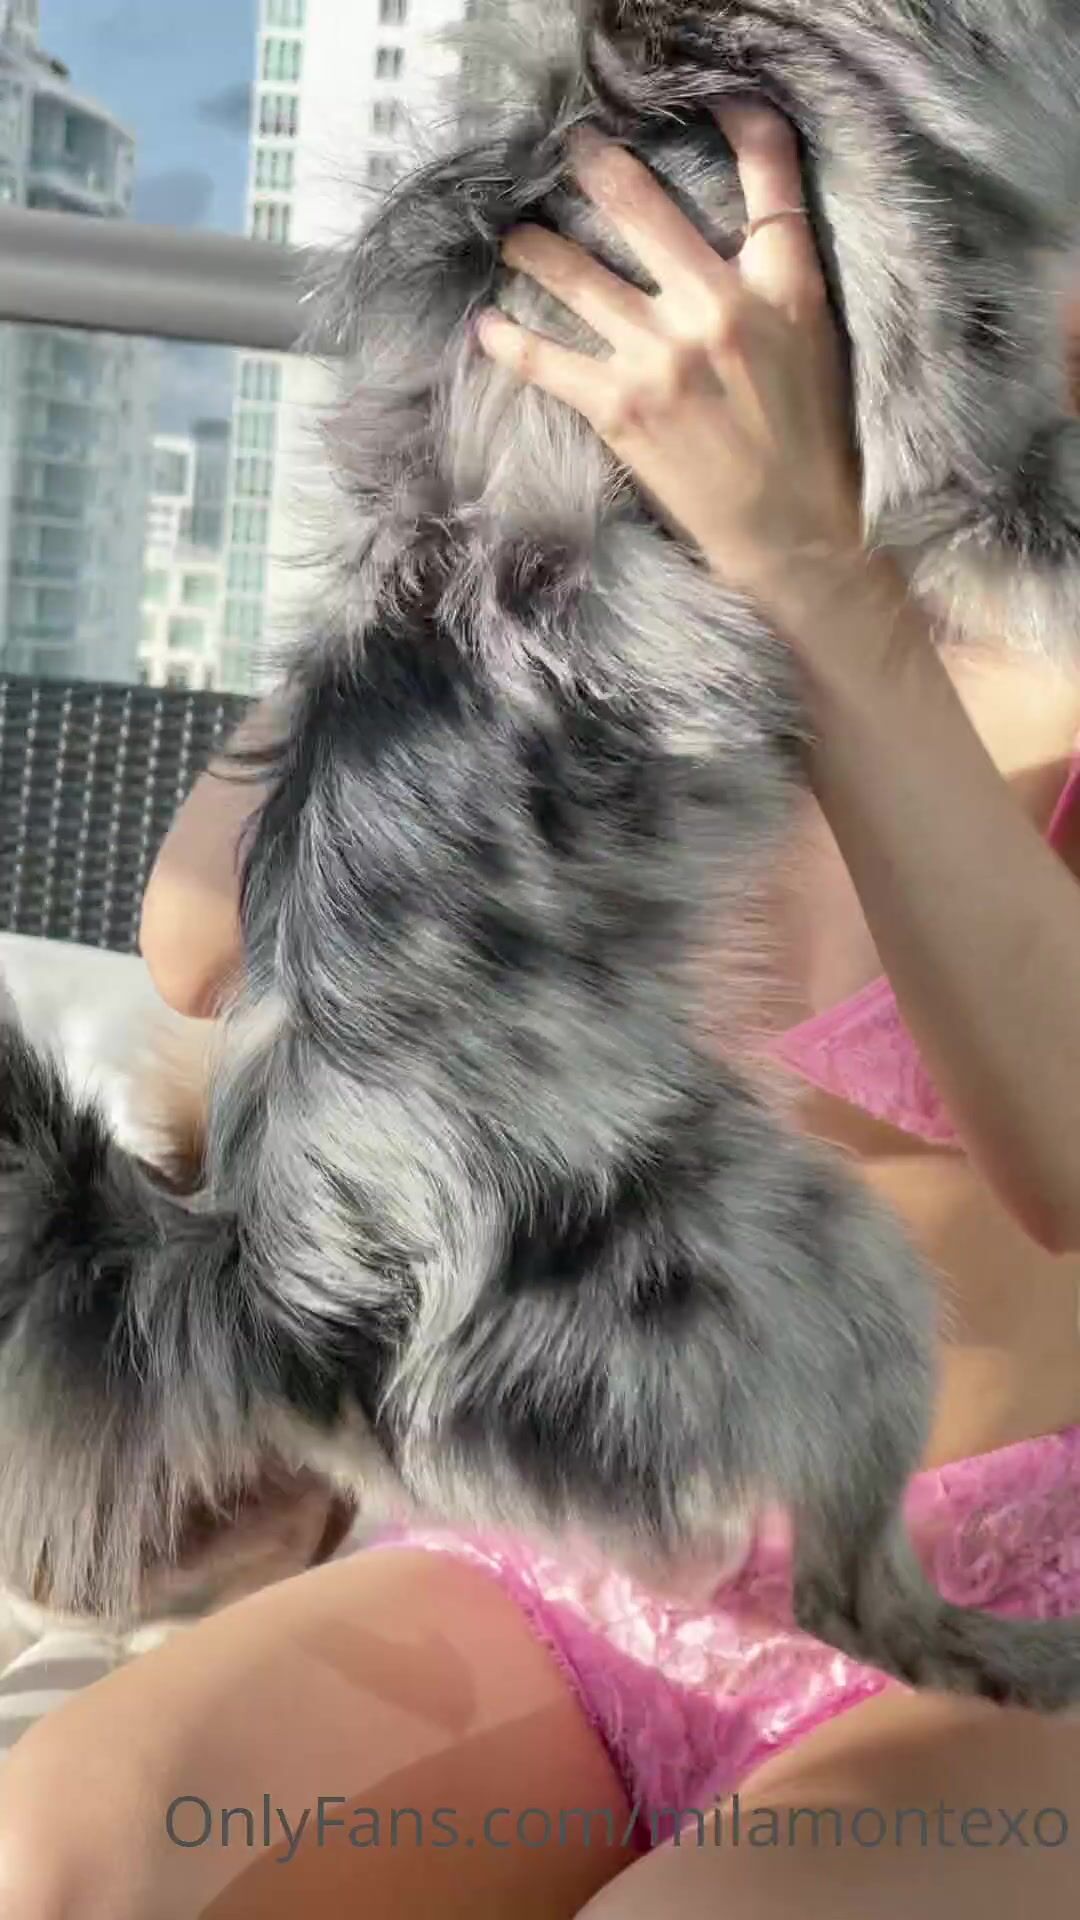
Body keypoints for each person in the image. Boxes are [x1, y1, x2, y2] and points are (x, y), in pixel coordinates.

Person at [3, 101, 1080, 1918]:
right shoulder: (613, 577)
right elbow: (197, 932)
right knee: (62, 1864)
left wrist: (818, 578)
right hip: (585, 1570)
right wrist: (467, 516)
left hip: (1004, 1605)